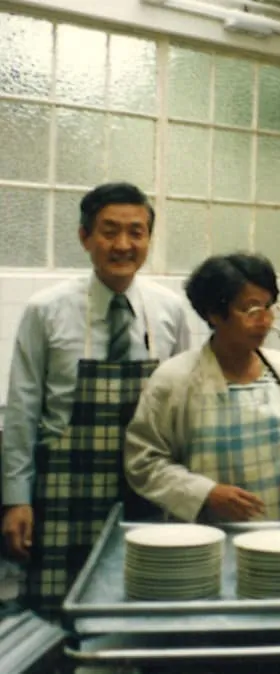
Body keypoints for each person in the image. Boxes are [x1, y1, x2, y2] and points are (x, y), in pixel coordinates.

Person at [0, 182, 191, 617]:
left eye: (136, 232)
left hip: (148, 487)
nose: (123, 244)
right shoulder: (45, 310)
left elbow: (182, 408)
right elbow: (22, 411)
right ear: (85, 236)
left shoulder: (170, 310)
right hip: (66, 488)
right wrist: (16, 499)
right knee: (61, 615)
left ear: (148, 238)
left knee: (143, 606)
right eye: (109, 231)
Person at [124, 253, 280, 523]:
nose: (265, 320)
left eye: (269, 307)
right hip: (205, 541)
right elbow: (144, 461)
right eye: (251, 310)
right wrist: (205, 493)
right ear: (214, 314)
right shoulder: (174, 380)